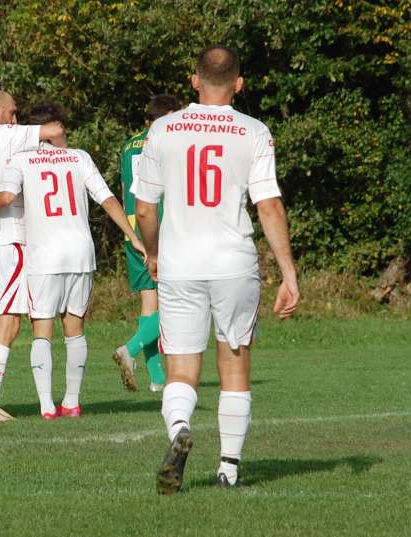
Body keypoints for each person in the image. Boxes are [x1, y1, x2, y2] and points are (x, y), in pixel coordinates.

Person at [133, 45, 299, 494]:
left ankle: (180, 429)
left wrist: (153, 252)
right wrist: (288, 272)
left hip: (180, 263)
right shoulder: (254, 131)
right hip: (233, 264)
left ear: (193, 79)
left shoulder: (163, 129)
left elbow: (146, 208)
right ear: (239, 83)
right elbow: (268, 204)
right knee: (234, 365)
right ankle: (228, 468)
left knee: (181, 370)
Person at [0, 102, 145, 419]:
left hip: (44, 256)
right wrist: (133, 236)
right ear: (55, 128)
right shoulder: (79, 157)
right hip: (80, 252)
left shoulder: (21, 159)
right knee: (74, 327)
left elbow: (4, 198)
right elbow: (108, 199)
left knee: (42, 330)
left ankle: (47, 406)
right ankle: (72, 402)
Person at [0, 89, 65, 419]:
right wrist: (64, 160)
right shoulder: (8, 134)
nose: (16, 118)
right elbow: (53, 130)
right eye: (12, 112)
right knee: (10, 323)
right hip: (11, 239)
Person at [112, 94, 181, 393]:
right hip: (160, 224)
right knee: (178, 301)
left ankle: (157, 379)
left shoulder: (128, 145)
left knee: (149, 303)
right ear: (167, 116)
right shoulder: (166, 141)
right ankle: (131, 347)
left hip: (132, 228)